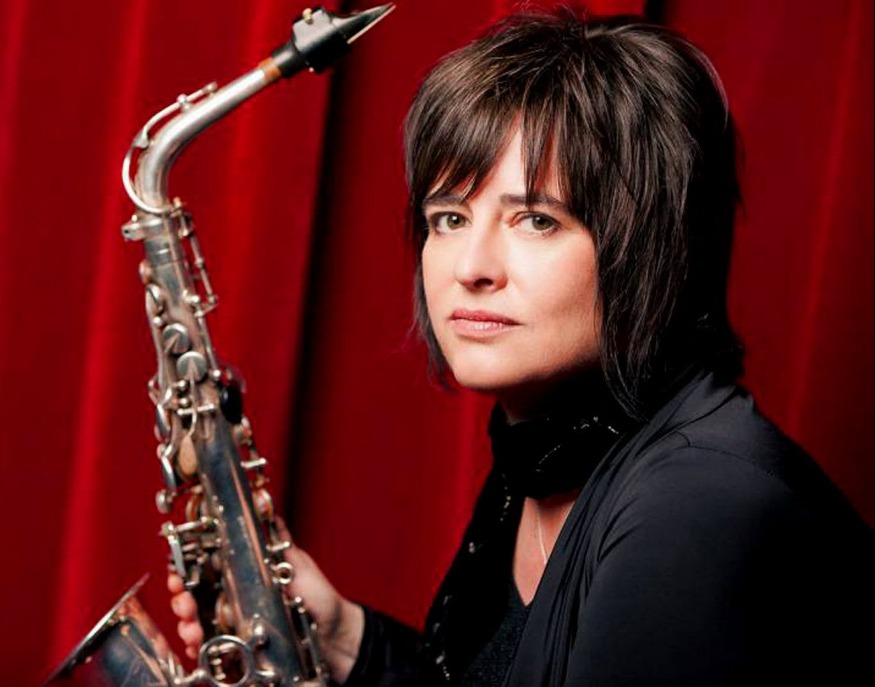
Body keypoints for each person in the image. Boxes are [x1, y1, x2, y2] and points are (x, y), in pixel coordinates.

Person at [170, 11, 872, 686]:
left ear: (649, 248)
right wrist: (348, 642)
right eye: (449, 218)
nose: (471, 266)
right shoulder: (541, 453)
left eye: (536, 220)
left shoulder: (698, 508)